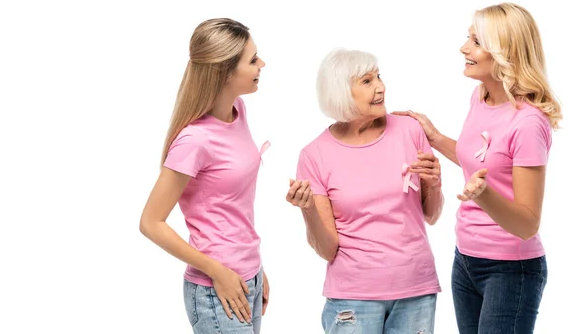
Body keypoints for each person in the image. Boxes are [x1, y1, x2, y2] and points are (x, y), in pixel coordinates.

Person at [396, 2, 562, 333]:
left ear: (504, 52)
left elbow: (527, 224)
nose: (464, 48)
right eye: (467, 38)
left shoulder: (528, 123)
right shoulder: (480, 96)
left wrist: (484, 196)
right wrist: (435, 137)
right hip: (466, 259)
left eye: (476, 41)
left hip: (511, 270)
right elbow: (481, 161)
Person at [286, 48, 444, 333]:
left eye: (379, 77)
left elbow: (431, 216)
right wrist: (307, 208)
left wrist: (434, 181)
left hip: (416, 288)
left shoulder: (410, 130)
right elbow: (327, 249)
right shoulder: (315, 155)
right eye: (367, 81)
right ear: (341, 92)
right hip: (353, 297)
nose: (381, 87)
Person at [139, 18, 270, 333]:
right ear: (224, 72)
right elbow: (150, 222)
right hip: (216, 288)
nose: (262, 64)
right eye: (252, 60)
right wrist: (217, 271)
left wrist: (255, 267)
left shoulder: (238, 111)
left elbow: (232, 208)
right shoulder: (194, 141)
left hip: (246, 275)